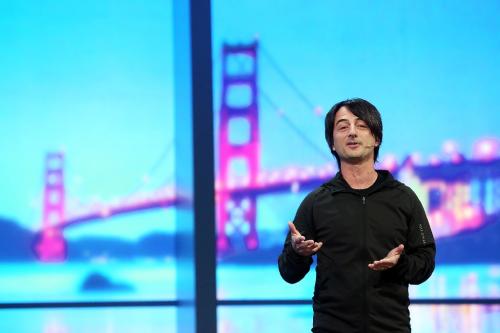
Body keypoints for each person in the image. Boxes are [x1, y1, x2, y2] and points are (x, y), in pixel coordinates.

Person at [278, 98, 436, 333]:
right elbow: (288, 273)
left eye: (361, 126)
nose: (352, 132)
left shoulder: (404, 198)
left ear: (376, 138)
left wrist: (400, 263)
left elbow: (425, 264)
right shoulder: (316, 202)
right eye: (342, 127)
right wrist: (297, 253)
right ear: (332, 143)